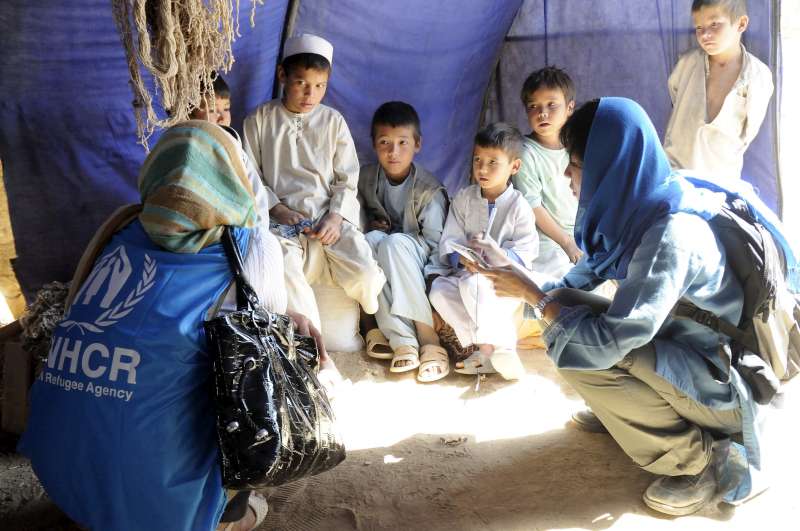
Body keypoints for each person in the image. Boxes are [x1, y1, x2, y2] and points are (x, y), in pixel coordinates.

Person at [474, 97, 792, 515]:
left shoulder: (670, 234)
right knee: (568, 308)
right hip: (694, 354)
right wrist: (519, 276)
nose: (567, 175)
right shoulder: (649, 201)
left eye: (575, 164)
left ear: (611, 166)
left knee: (577, 349)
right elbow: (574, 284)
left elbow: (609, 342)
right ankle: (636, 414)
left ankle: (694, 460)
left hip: (727, 385)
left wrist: (534, 296)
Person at [19, 121, 331, 530]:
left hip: (61, 473)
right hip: (162, 501)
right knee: (277, 382)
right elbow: (265, 335)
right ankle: (228, 516)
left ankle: (103, 501)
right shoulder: (252, 246)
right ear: (234, 177)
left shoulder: (119, 226)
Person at [243, 34, 386, 331]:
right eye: (301, 83)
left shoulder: (333, 122)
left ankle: (371, 321)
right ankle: (313, 345)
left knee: (367, 275)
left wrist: (336, 217)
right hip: (281, 224)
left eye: (320, 86)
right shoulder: (259, 120)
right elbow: (249, 175)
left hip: (328, 219)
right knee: (283, 271)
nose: (311, 94)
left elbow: (347, 178)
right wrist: (278, 209)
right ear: (283, 75)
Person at [429, 122, 537, 381]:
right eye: (478, 159)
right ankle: (487, 348)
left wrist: (493, 255)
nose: (482, 168)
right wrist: (461, 257)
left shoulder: (519, 206)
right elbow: (451, 239)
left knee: (474, 285)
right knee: (439, 291)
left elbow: (524, 253)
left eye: (492, 162)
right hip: (468, 275)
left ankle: (499, 347)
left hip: (505, 283)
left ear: (514, 167)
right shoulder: (465, 198)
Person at [358, 101, 450, 381]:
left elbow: (437, 245)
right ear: (373, 144)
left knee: (393, 244)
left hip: (419, 253)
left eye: (402, 142)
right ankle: (401, 340)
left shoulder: (428, 189)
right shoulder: (365, 178)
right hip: (388, 247)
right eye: (384, 142)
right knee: (371, 240)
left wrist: (435, 284)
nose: (393, 151)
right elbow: (357, 218)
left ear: (417, 144)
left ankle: (427, 338)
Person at [663, 0, 773, 180]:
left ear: (741, 23)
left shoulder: (757, 75)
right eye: (699, 27)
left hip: (722, 179)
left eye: (714, 24)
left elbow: (748, 132)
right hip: (675, 173)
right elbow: (676, 98)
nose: (705, 34)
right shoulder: (687, 64)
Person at [513, 66, 581, 281]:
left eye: (552, 105)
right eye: (534, 106)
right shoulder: (526, 152)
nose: (542, 113)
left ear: (570, 108)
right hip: (546, 237)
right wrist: (567, 243)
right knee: (563, 281)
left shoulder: (577, 146)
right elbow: (533, 206)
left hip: (579, 232)